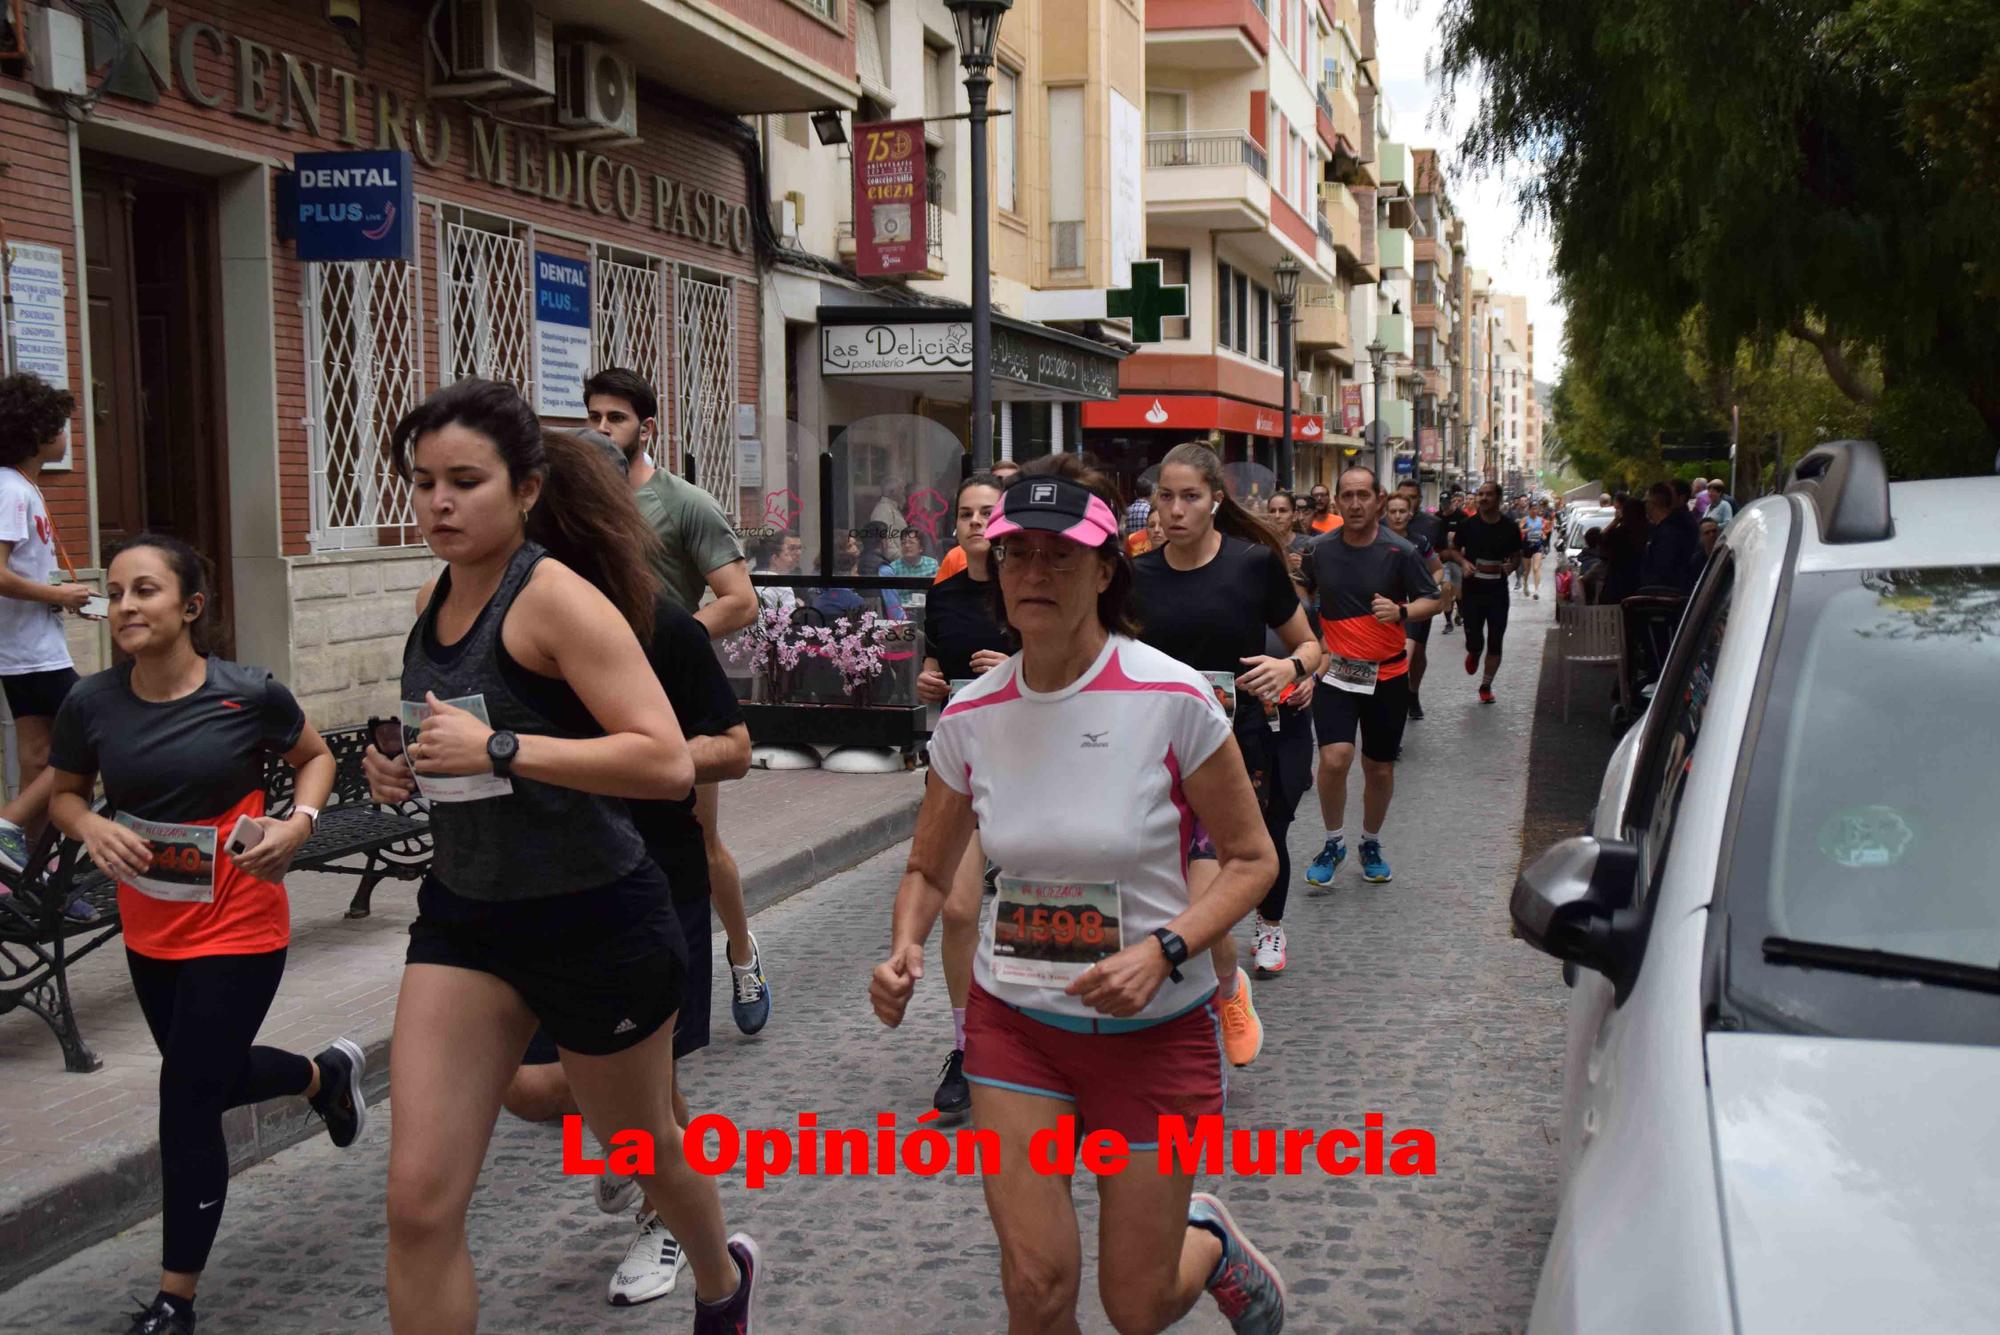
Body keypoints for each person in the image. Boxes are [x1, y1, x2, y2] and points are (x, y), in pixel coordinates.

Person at [364, 379, 758, 1333]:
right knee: (418, 1204)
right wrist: (404, 768)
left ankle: (721, 1278)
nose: (440, 503)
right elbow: (461, 736)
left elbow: (665, 759)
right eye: (423, 483)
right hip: (468, 918)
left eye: (465, 480)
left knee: (647, 1146)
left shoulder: (557, 599)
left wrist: (501, 749)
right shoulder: (433, 598)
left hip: (593, 915)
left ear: (527, 489)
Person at [870, 455, 1288, 1335]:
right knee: (1037, 1286)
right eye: (1017, 553)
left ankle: (1207, 1239)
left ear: (1105, 570)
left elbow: (1252, 861)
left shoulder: (1172, 697)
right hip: (1016, 1026)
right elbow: (927, 868)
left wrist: (1166, 948)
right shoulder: (973, 714)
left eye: (1062, 555)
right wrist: (904, 946)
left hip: (1158, 1030)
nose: (1035, 572)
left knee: (1135, 1305)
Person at [46, 534, 363, 1335]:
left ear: (190, 606)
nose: (124, 606)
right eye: (114, 592)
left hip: (241, 917)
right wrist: (89, 824)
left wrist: (299, 822)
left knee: (185, 1098)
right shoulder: (91, 703)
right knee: (208, 1080)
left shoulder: (245, 692)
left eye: (144, 591)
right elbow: (65, 794)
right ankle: (322, 1078)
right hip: (151, 927)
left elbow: (315, 756)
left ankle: (173, 1299)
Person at [585, 369, 770, 1038]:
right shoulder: (577, 503)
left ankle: (742, 952)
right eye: (594, 416)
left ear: (647, 427)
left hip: (675, 692)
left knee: (698, 837)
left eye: (616, 417)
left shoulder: (683, 502)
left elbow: (741, 599)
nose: (603, 428)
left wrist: (671, 641)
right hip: (595, 688)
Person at [1133, 442, 1321, 1032]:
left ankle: (1225, 996)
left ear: (1216, 500)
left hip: (1232, 750)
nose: (1176, 510)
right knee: (1165, 889)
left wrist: (1289, 669)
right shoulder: (1133, 576)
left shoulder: (1250, 564)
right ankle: (1210, 986)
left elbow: (1311, 645)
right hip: (1151, 754)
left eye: (1190, 497)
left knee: (1207, 894)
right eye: (1166, 497)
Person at [913, 473, 1011, 1120]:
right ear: (956, 528)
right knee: (956, 911)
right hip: (962, 769)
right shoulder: (942, 595)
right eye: (968, 514)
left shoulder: (1029, 588)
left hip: (1036, 766)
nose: (977, 522)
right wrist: (929, 679)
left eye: (988, 513)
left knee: (1053, 912)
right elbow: (936, 666)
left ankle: (1061, 1041)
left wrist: (1011, 669)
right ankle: (966, 1047)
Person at [1300, 468, 1443, 889]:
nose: (1356, 503)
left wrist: (1400, 612)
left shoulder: (1399, 551)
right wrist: (1312, 630)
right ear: (1337, 502)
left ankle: (1370, 842)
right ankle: (1333, 842)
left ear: (1379, 500)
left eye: (1364, 495)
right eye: (1348, 496)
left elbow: (1432, 601)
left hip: (1388, 674)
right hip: (1338, 672)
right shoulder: (1318, 549)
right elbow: (1300, 591)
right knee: (1334, 758)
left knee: (1378, 768)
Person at [0, 373, 96, 875]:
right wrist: (58, 593)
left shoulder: (21, 486)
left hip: (27, 645)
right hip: (29, 650)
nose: (66, 436)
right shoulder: (10, 489)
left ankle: (31, 874)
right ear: (39, 432)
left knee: (39, 757)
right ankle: (7, 827)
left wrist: (61, 597)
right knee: (97, 733)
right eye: (61, 426)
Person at [1446, 481, 1524, 705]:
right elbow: (1452, 551)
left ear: (1498, 499)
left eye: (1488, 494)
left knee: (1496, 639)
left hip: (1497, 591)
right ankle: (1474, 651)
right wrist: (1463, 563)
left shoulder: (1509, 527)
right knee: (1475, 638)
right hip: (1472, 591)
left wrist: (1511, 566)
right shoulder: (1467, 525)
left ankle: (1486, 685)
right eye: (1480, 494)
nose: (1483, 498)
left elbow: (1517, 555)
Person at [1382, 491, 1447, 722]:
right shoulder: (1376, 538)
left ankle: (1412, 693)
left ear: (1410, 514)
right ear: (1385, 513)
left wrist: (1428, 587)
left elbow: (1437, 569)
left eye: (1402, 511)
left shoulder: (1420, 541)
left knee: (1417, 655)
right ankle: (1392, 724)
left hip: (1417, 607)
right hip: (1388, 610)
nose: (1397, 516)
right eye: (1393, 512)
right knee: (1403, 658)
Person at [1640, 481, 1704, 594]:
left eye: (1646, 501)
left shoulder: (1668, 533)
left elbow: (1663, 570)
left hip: (1664, 598)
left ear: (1653, 503)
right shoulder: (1667, 529)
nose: (1644, 505)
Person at [1519, 503, 1550, 600]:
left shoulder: (1541, 520)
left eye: (1536, 509)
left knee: (1536, 568)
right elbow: (1519, 530)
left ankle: (1536, 591)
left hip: (1537, 545)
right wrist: (1528, 529)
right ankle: (1525, 584)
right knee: (1527, 570)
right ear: (1529, 510)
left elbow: (1546, 530)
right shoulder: (1525, 519)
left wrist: (1543, 534)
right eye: (1533, 509)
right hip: (1527, 545)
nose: (1535, 511)